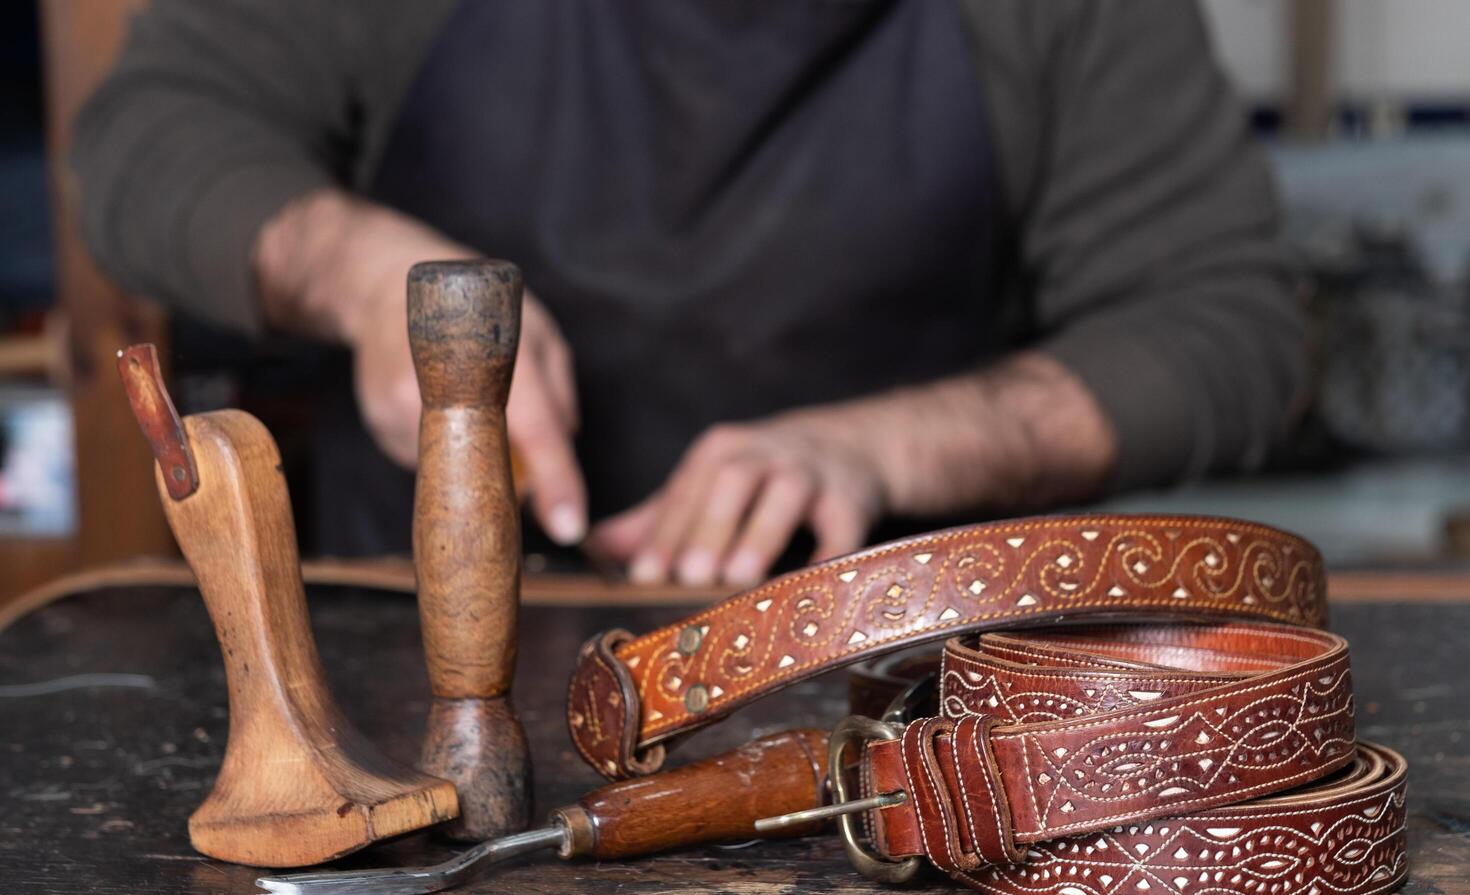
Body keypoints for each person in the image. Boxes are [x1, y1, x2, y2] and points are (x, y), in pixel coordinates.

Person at [74, 0, 1304, 587]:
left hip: (891, 701)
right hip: (402, 666)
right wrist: (348, 267)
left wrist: (895, 445)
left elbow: (1231, 318)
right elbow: (147, 137)